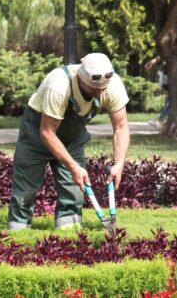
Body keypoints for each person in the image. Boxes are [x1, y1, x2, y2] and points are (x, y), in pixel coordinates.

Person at [7, 53, 130, 230]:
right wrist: (73, 167)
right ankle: (17, 236)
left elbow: (121, 126)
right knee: (25, 191)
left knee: (74, 192)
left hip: (72, 138)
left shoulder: (112, 85)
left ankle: (68, 235)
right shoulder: (59, 84)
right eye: (93, 89)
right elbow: (47, 132)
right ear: (80, 78)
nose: (99, 93)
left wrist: (119, 164)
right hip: (37, 135)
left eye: (102, 89)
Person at [145, 8, 177, 130]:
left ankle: (160, 120)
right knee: (172, 97)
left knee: (172, 98)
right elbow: (170, 51)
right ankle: (160, 120)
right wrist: (154, 60)